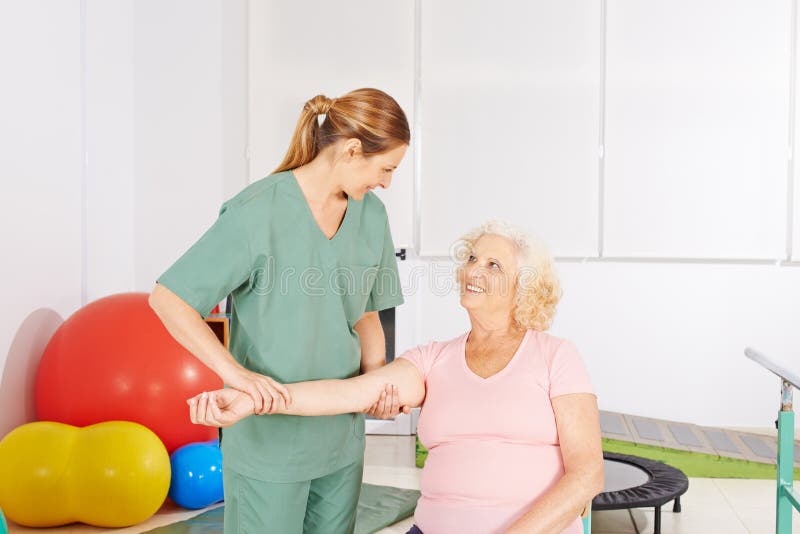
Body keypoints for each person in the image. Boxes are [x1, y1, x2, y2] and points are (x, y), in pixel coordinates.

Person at [190, 220, 605, 534]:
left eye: (493, 264)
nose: (473, 270)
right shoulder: (434, 359)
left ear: (525, 286)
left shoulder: (556, 357)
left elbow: (587, 474)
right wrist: (255, 398)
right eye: (471, 259)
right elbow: (349, 393)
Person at [149, 88, 410, 534]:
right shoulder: (257, 212)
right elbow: (168, 298)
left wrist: (378, 381)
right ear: (351, 150)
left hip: (339, 440)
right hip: (268, 440)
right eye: (385, 168)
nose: (386, 182)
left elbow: (366, 311)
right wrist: (236, 374)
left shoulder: (373, 216)